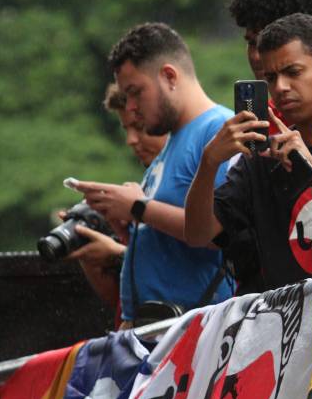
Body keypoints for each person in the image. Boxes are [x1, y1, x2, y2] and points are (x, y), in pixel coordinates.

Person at [184, 13, 312, 292]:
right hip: (291, 317)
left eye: (293, 72)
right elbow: (197, 234)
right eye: (271, 77)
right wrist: (209, 161)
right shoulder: (261, 159)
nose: (280, 87)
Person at [76, 22, 234, 328]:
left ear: (169, 76)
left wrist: (138, 207)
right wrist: (122, 220)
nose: (132, 107)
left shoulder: (218, 130)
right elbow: (167, 240)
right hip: (151, 334)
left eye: (135, 93)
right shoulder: (171, 142)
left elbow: (219, 234)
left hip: (195, 333)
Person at [65, 84, 167, 316]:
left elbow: (190, 267)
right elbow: (120, 304)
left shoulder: (186, 187)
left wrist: (118, 254)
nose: (130, 140)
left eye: (140, 127)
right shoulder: (146, 185)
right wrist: (87, 248)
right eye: (126, 129)